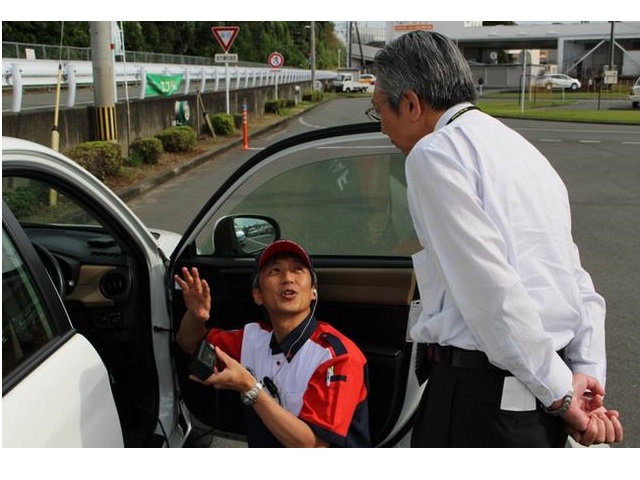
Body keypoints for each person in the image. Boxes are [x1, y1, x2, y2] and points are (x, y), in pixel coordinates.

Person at [370, 30, 623, 447]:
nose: (381, 126)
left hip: (481, 405)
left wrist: (564, 396)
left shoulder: (434, 155)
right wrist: (585, 375)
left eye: (379, 109)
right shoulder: (525, 153)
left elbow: (492, 295)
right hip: (535, 406)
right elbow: (576, 281)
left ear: (412, 104)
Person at [174, 239, 370, 447]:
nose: (287, 278)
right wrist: (196, 316)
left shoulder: (337, 356)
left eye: (298, 270)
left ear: (314, 291)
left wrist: (250, 387)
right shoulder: (252, 338)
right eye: (275, 271)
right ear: (258, 295)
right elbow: (189, 343)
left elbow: (314, 447)